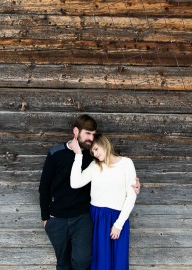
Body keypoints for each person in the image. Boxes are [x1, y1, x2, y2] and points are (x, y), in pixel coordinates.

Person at [39, 115, 140, 270]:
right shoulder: (63, 155)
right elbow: (50, 185)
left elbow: (126, 189)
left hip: (94, 218)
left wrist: (134, 186)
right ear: (76, 131)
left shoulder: (109, 161)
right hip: (73, 218)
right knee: (69, 263)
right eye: (88, 134)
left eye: (94, 136)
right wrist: (45, 218)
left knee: (90, 261)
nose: (91, 140)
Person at [70, 133, 137, 270]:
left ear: (104, 144)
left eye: (96, 149)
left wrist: (118, 224)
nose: (94, 154)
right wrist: (78, 156)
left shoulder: (126, 163)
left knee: (118, 260)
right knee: (99, 261)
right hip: (96, 217)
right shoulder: (95, 166)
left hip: (117, 218)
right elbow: (75, 183)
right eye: (92, 151)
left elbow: (131, 196)